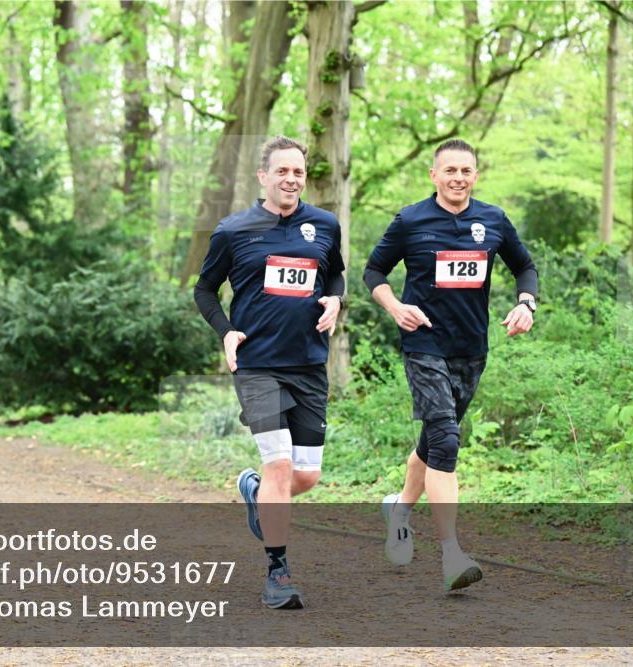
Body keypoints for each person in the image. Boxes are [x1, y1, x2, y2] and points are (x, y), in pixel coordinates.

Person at [363, 138, 538, 592]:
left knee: (434, 440)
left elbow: (525, 267)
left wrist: (526, 303)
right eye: (450, 170)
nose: (458, 178)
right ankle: (452, 555)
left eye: (466, 170)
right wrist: (394, 307)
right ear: (434, 175)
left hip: (472, 348)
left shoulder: (494, 219)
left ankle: (399, 509)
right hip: (423, 343)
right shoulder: (411, 220)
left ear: (475, 175)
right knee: (445, 437)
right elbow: (373, 272)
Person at [193, 136, 345, 609]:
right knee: (279, 463)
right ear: (263, 176)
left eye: (298, 172)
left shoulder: (325, 225)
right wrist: (226, 331)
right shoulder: (233, 230)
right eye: (282, 171)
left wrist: (335, 298)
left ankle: (257, 492)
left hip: (309, 363)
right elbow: (204, 289)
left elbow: (334, 273)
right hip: (257, 363)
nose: (291, 179)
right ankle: (278, 574)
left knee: (306, 476)